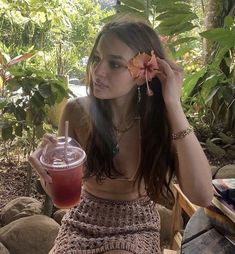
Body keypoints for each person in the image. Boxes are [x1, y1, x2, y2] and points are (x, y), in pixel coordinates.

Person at [29, 16, 214, 254]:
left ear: (142, 72)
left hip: (135, 223)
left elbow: (202, 195)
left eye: (115, 64)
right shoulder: (76, 111)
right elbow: (63, 198)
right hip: (82, 219)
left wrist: (173, 105)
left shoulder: (159, 121)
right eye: (96, 59)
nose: (98, 71)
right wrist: (50, 174)